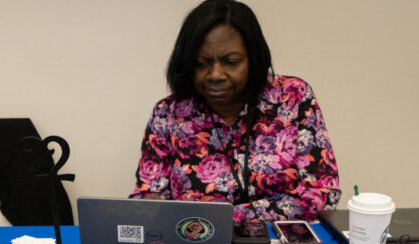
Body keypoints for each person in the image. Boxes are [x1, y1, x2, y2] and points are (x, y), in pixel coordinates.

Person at [130, 0, 340, 224]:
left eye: (230, 62)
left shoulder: (293, 97)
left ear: (254, 59)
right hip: (197, 239)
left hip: (282, 241)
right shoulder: (168, 113)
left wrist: (228, 217)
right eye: (200, 63)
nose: (215, 75)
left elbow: (322, 193)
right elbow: (148, 197)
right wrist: (150, 206)